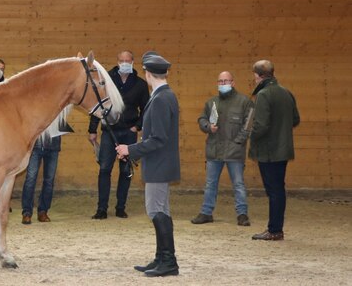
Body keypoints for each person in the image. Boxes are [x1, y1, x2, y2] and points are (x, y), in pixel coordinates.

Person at [115, 51, 180, 277]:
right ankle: (162, 257)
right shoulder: (162, 95)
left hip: (159, 164)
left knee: (155, 210)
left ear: (147, 73)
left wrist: (129, 149)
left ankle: (168, 261)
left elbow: (159, 138)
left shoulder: (162, 98)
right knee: (161, 210)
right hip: (159, 163)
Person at [89, 50, 149, 220]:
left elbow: (146, 109)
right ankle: (101, 209)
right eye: (121, 60)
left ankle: (120, 207)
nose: (124, 63)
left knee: (125, 171)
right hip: (109, 131)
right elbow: (97, 104)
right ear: (117, 60)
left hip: (129, 132)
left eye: (127, 60)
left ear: (132, 62)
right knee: (104, 169)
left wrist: (137, 127)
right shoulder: (106, 79)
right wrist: (93, 130)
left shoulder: (140, 84)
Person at [192, 71, 254, 226]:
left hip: (235, 152)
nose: (223, 84)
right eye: (220, 81)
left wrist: (237, 143)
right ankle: (206, 213)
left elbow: (249, 125)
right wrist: (207, 126)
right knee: (210, 184)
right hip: (214, 150)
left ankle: (242, 214)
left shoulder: (245, 102)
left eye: (226, 81)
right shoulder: (211, 102)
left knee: (238, 184)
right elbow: (201, 118)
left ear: (233, 83)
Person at [249, 60, 300, 241]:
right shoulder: (286, 93)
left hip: (268, 151)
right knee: (278, 189)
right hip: (283, 149)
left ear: (258, 75)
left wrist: (250, 136)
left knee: (274, 190)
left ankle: (274, 229)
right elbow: (295, 119)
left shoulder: (263, 94)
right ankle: (276, 228)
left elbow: (261, 126)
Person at [21, 105, 73, 225]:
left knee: (49, 180)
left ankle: (43, 211)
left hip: (53, 146)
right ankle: (27, 212)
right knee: (30, 178)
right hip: (36, 146)